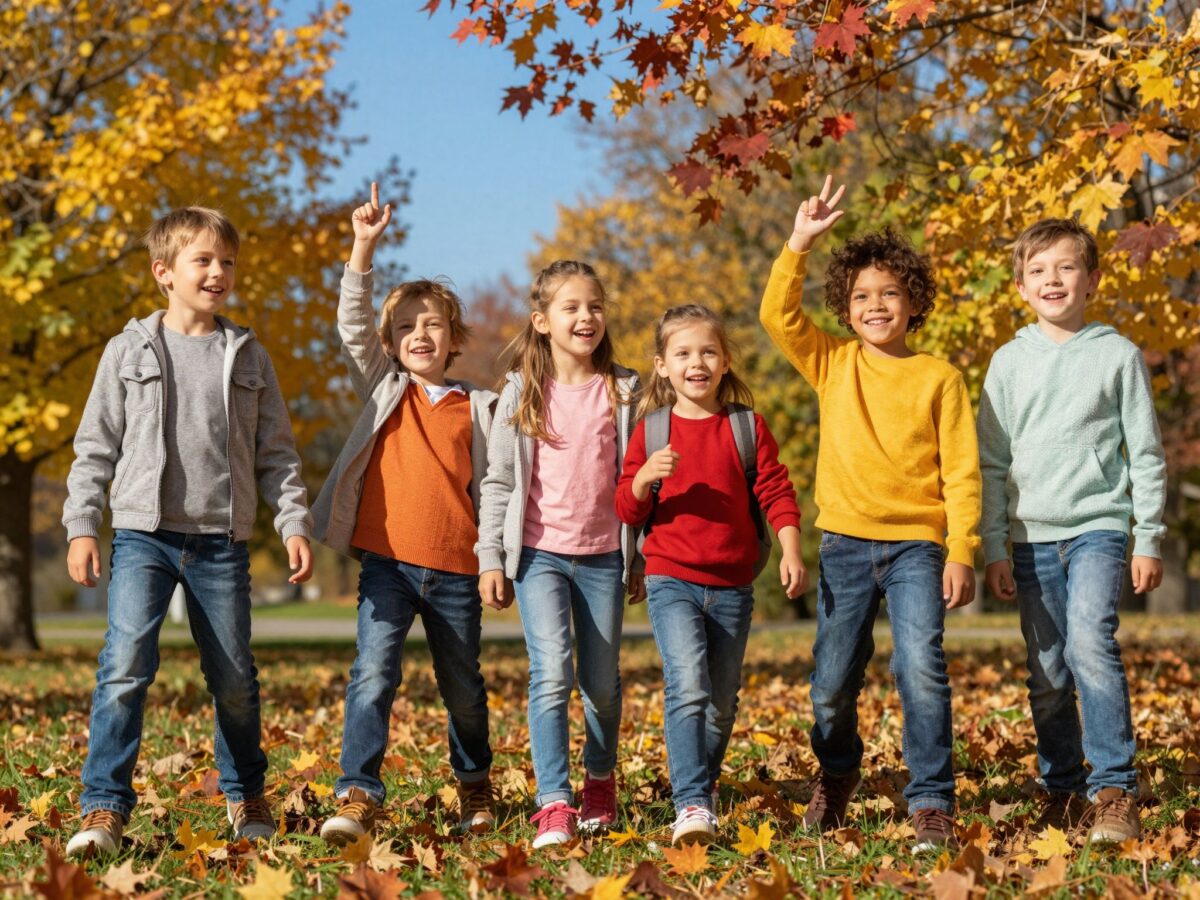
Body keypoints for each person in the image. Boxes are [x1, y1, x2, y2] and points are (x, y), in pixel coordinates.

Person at [63, 206, 314, 857]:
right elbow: (95, 445)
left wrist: (292, 523)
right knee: (124, 666)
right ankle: (102, 808)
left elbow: (277, 452)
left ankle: (245, 793)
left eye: (226, 261)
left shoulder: (248, 354)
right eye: (202, 260)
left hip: (220, 542)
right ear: (164, 272)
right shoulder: (129, 350)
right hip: (144, 536)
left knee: (232, 675)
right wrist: (81, 525)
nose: (217, 271)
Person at [759, 176, 981, 853]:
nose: (875, 304)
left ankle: (932, 802)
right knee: (829, 687)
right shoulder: (832, 362)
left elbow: (963, 473)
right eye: (861, 296)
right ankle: (839, 772)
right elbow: (778, 317)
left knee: (919, 666)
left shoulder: (940, 377)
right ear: (845, 308)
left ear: (914, 302)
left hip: (917, 544)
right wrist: (799, 242)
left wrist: (964, 547)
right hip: (847, 544)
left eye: (889, 293)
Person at [313, 184, 496, 844]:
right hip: (387, 565)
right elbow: (352, 323)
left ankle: (474, 783)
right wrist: (363, 246)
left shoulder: (481, 407)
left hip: (457, 572)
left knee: (464, 689)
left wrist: (497, 560)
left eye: (434, 324)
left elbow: (502, 484)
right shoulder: (384, 387)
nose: (421, 333)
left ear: (453, 338)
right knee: (372, 677)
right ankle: (359, 792)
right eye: (407, 326)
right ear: (389, 343)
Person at [978, 217, 1166, 844]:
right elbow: (993, 463)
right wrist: (995, 545)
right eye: (1037, 271)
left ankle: (1114, 788)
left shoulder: (1116, 355)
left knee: (1090, 644)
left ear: (1091, 279)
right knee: (1048, 669)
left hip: (1098, 527)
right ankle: (1060, 788)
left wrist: (1149, 536)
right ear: (1021, 288)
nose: (1051, 279)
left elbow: (1144, 453)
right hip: (1030, 538)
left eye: (1065, 267)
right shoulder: (1006, 363)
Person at [616, 304, 806, 846]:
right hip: (669, 578)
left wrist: (792, 550)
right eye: (682, 353)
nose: (695, 362)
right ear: (661, 365)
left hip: (732, 585)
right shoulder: (651, 431)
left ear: (724, 362)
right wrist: (643, 481)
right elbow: (626, 511)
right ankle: (691, 803)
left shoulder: (744, 425)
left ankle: (706, 780)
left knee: (721, 701)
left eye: (707, 352)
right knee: (688, 685)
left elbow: (775, 489)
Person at [475, 259, 642, 848]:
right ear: (542, 320)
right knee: (550, 674)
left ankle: (600, 779)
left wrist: (639, 555)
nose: (586, 317)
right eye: (571, 308)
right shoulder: (522, 391)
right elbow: (498, 482)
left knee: (601, 684)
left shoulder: (625, 389)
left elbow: (640, 478)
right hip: (539, 555)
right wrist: (490, 559)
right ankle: (554, 801)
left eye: (594, 306)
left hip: (603, 558)